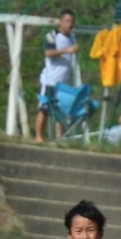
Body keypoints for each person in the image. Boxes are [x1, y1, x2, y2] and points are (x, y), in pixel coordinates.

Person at [34, 9, 78, 143]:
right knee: (45, 108)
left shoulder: (72, 37)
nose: (69, 24)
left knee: (61, 110)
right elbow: (49, 52)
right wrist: (67, 50)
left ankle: (60, 138)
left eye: (71, 22)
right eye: (67, 21)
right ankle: (39, 137)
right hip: (51, 81)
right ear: (60, 21)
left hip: (63, 82)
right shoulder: (52, 36)